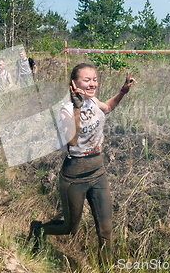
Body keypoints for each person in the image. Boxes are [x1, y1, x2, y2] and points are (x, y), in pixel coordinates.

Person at [27, 63, 136, 267]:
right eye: (86, 80)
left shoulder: (93, 100)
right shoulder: (66, 110)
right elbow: (72, 141)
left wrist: (123, 91)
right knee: (70, 228)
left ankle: (106, 269)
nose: (92, 83)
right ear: (74, 84)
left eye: (94, 79)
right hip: (74, 176)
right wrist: (77, 108)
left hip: (98, 171)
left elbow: (108, 108)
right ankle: (39, 229)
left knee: (106, 228)